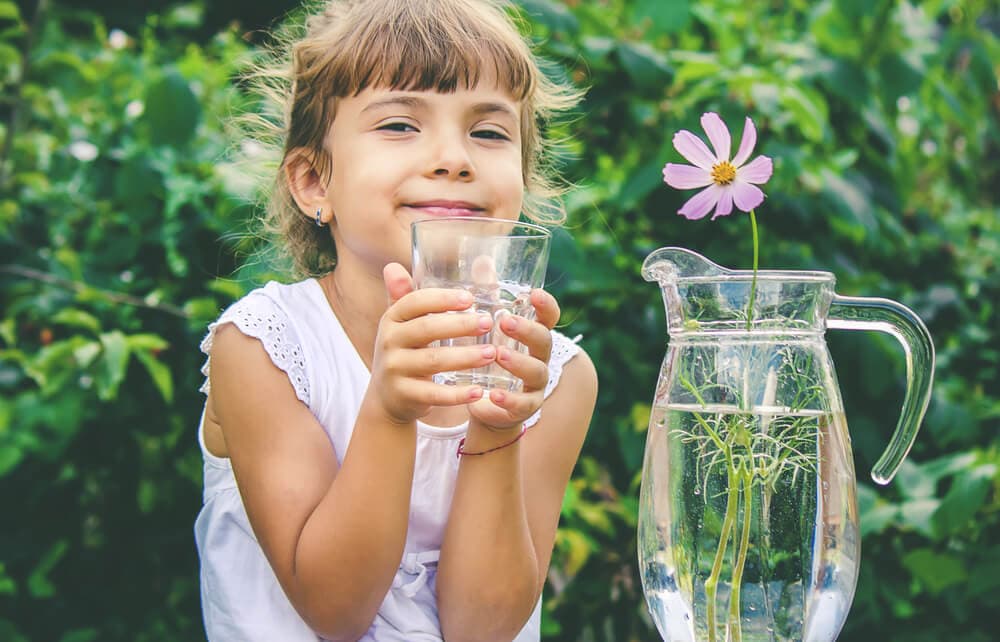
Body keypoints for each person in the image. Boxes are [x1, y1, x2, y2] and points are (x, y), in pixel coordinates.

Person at [193, 0, 597, 640]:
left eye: (489, 133)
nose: (454, 158)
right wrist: (387, 410)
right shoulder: (264, 348)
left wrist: (495, 426)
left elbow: (482, 628)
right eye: (401, 125)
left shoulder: (555, 378)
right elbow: (334, 609)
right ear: (313, 182)